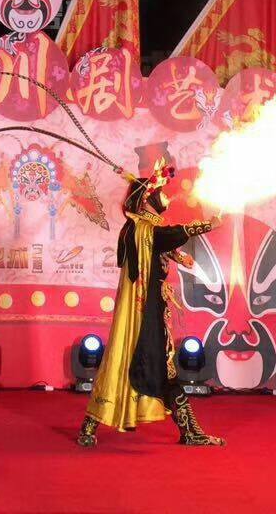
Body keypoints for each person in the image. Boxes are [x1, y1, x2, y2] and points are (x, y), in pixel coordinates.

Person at [77, 159, 226, 447]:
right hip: (144, 314)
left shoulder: (139, 229)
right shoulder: (140, 229)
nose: (166, 197)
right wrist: (209, 225)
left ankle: (90, 428)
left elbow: (157, 244)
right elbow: (165, 236)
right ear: (147, 199)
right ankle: (189, 433)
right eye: (160, 192)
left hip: (153, 309)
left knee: (155, 367)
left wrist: (174, 255)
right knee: (138, 364)